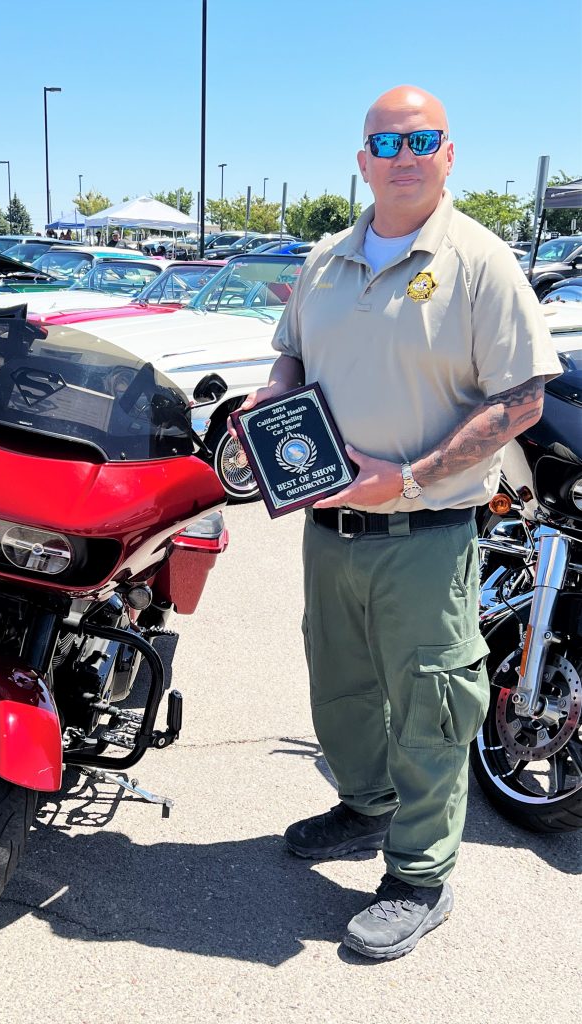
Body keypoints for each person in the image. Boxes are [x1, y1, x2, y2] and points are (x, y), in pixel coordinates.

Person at [238, 85, 562, 960]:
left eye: (424, 139)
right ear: (361, 160)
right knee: (339, 692)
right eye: (387, 142)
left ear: (449, 153)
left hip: (426, 534)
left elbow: (523, 401)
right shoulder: (325, 261)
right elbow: (291, 354)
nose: (405, 154)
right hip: (328, 532)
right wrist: (270, 407)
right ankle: (364, 807)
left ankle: (419, 876)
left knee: (430, 704)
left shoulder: (479, 262)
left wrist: (409, 477)